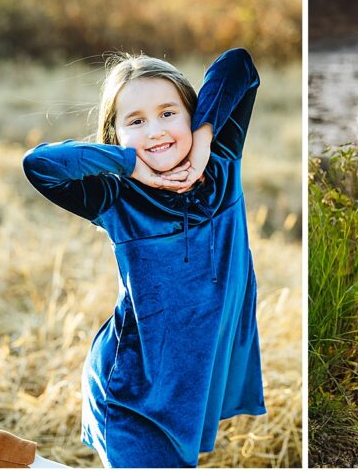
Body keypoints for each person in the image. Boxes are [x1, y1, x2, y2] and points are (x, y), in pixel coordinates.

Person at [17, 48, 265, 467]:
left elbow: (238, 64)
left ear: (194, 112)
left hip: (189, 382)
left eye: (169, 113)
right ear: (116, 136)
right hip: (133, 388)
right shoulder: (116, 196)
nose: (155, 131)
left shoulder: (223, 160)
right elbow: (39, 165)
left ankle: (16, 463)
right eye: (135, 121)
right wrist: (130, 165)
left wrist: (203, 139)